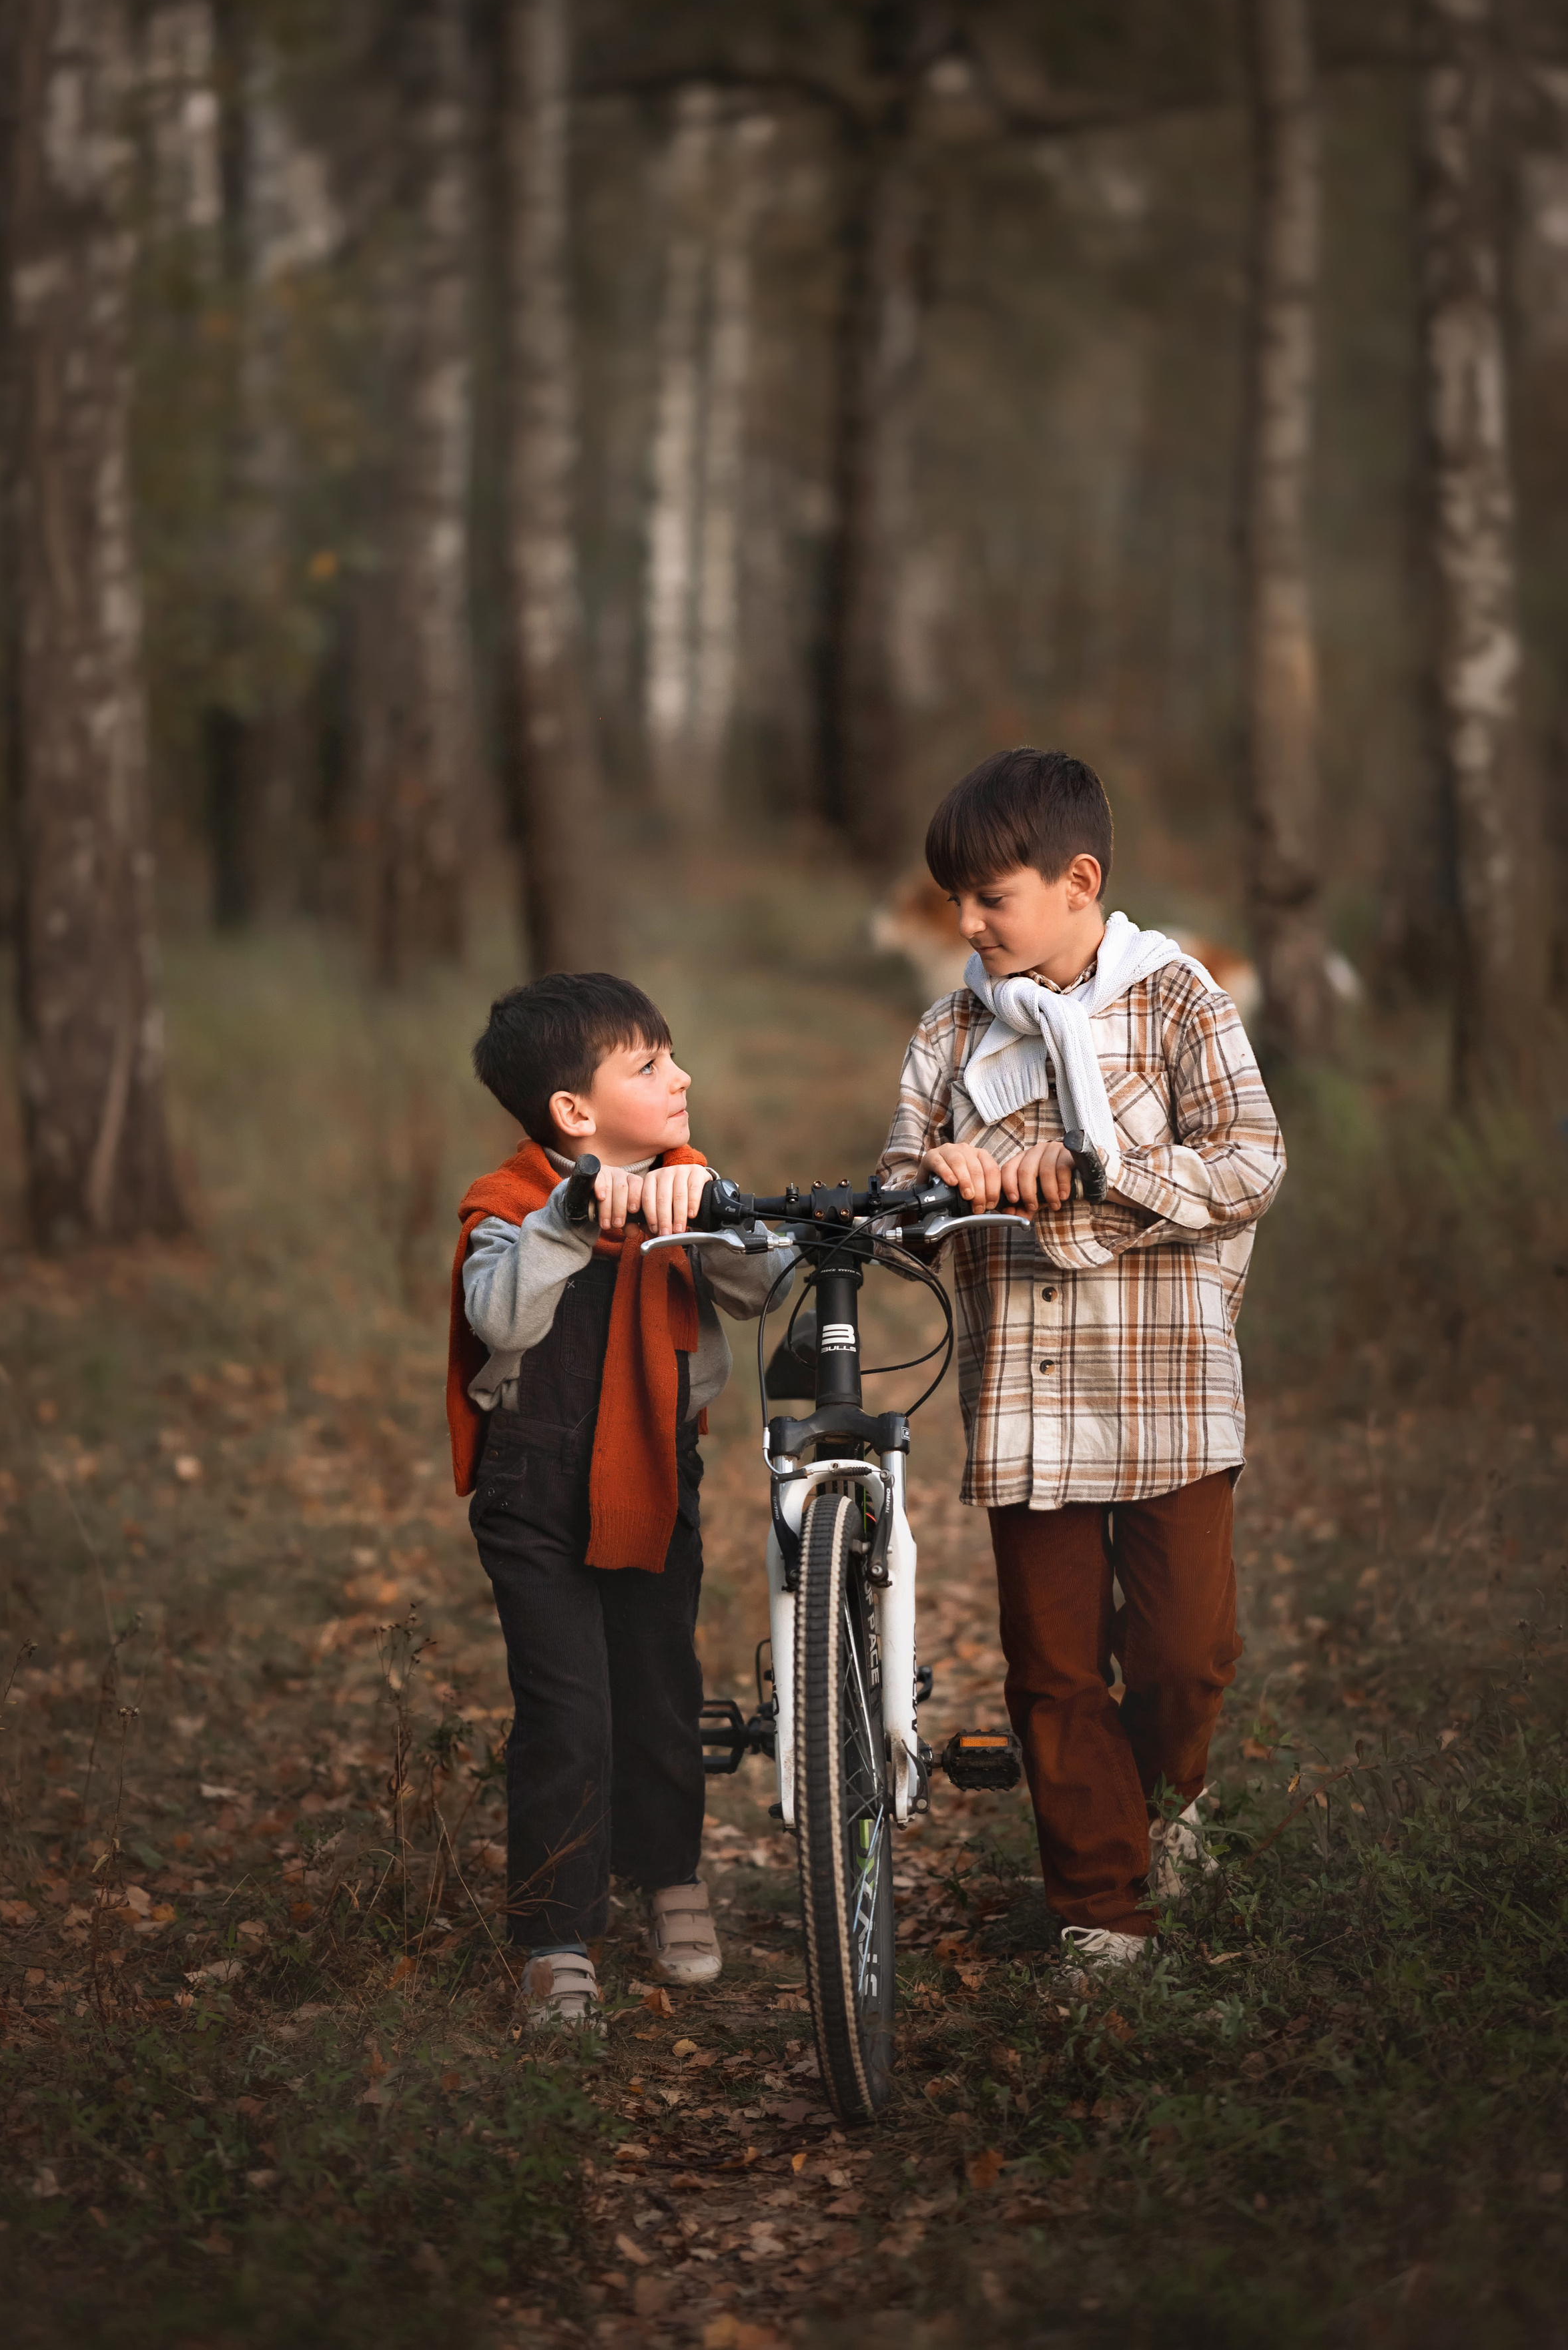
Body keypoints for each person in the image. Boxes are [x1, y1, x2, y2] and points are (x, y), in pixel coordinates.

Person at [875, 749, 1286, 1972]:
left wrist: (1104, 1173)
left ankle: (1174, 1795)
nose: (966, 923)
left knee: (1181, 1658)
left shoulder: (1178, 1002)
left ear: (1079, 881)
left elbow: (1251, 1162)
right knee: (1054, 1672)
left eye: (990, 898)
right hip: (1030, 1399)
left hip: (1168, 1386)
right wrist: (941, 1179)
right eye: (955, 900)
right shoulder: (950, 1031)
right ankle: (1103, 1908)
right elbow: (894, 1196)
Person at [448, 972, 790, 2028]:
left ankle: (670, 1878)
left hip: (653, 1473)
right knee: (567, 1711)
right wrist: (572, 1218)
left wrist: (717, 1219)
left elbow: (769, 1285)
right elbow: (500, 1320)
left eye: (672, 1055)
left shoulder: (695, 1183)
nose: (680, 1077)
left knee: (659, 1692)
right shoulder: (510, 1207)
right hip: (534, 1485)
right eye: (649, 1065)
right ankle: (556, 1932)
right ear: (574, 1111)